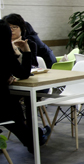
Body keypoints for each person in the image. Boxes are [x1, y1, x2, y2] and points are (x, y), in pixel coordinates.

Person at [0, 20, 50, 153]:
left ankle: (37, 134)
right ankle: (36, 139)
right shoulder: (5, 52)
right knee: (16, 118)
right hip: (3, 107)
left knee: (15, 110)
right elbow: (23, 73)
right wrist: (26, 52)